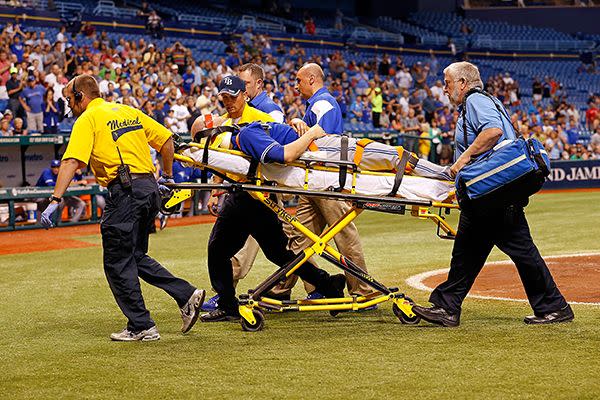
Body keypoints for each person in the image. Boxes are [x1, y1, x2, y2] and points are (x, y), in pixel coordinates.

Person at [39, 74, 205, 341]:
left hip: (125, 192)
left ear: (80, 96)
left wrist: (55, 200)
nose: (69, 104)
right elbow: (166, 141)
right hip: (149, 189)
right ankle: (186, 294)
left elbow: (71, 162)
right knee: (135, 256)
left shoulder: (87, 119)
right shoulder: (128, 111)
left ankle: (142, 325)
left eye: (70, 98)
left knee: (117, 261)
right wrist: (168, 176)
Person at [412, 62, 573, 327]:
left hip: (490, 195)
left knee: (489, 252)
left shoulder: (475, 101)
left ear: (463, 83)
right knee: (479, 252)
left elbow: (493, 131)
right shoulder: (483, 102)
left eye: (448, 82)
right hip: (494, 194)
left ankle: (448, 307)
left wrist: (463, 160)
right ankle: (551, 306)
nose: (444, 88)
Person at [272, 63, 374, 299]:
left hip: (327, 181)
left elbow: (323, 141)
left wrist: (301, 124)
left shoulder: (323, 103)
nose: (296, 86)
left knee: (344, 237)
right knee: (299, 240)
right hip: (313, 182)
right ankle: (299, 288)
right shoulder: (316, 105)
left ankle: (364, 292)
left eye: (298, 80)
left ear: (311, 79)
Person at [201, 75, 275, 312]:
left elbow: (276, 154)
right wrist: (215, 190)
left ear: (244, 95)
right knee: (218, 248)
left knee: (279, 253)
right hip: (238, 195)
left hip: (260, 194)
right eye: (224, 98)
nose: (228, 102)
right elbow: (220, 162)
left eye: (232, 97)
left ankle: (327, 283)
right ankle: (227, 303)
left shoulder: (262, 119)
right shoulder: (221, 123)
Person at [36, 159, 86, 223]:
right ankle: (57, 222)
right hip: (41, 196)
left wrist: (79, 175)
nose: (56, 169)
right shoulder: (47, 172)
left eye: (57, 167)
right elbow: (51, 185)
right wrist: (69, 183)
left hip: (58, 196)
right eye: (54, 167)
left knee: (81, 204)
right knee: (59, 201)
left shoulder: (62, 173)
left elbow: (73, 181)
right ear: (51, 167)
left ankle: (72, 223)